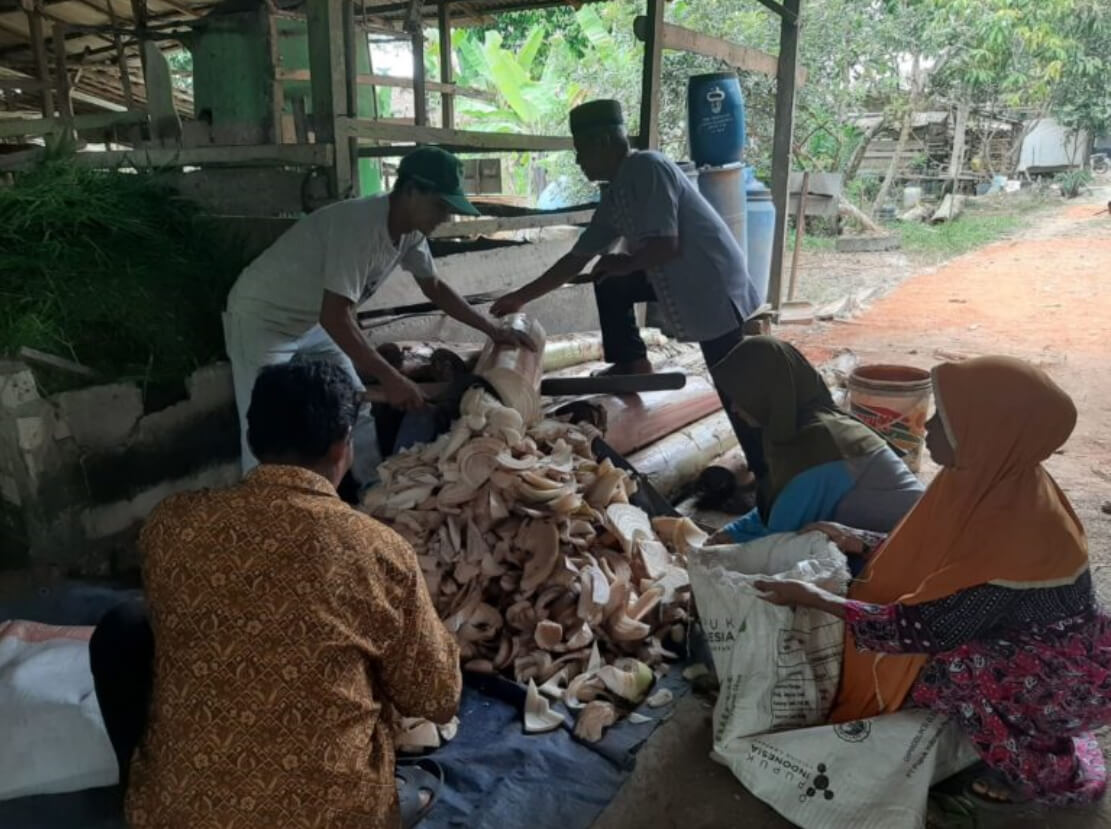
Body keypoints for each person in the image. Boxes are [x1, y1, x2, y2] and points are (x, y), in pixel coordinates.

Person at [100, 361, 461, 828]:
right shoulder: (377, 550)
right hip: (331, 817)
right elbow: (437, 698)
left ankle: (146, 784)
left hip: (177, 814)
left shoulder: (171, 525)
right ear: (342, 445)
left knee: (125, 626)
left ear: (253, 439)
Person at [757, 356, 1111, 807]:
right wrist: (857, 539)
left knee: (952, 667)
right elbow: (932, 553)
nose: (927, 427)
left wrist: (817, 598)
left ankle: (1040, 766)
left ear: (988, 432)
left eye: (946, 419)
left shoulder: (1020, 534)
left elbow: (918, 629)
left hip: (1061, 683)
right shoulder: (993, 483)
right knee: (940, 656)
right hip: (1041, 651)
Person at [489, 99, 767, 479]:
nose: (578, 162)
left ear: (605, 141)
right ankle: (631, 359)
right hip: (681, 280)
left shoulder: (647, 168)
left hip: (711, 285)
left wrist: (621, 262)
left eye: (581, 151)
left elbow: (665, 245)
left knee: (736, 389)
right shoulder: (618, 190)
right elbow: (578, 257)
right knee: (609, 279)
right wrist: (521, 297)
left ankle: (768, 475)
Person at [224, 146, 533, 482]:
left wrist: (491, 330)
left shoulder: (411, 231)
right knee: (266, 425)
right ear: (412, 191)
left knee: (354, 406)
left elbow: (435, 288)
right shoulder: (360, 227)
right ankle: (256, 515)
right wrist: (390, 377)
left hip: (312, 320)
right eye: (440, 207)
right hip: (263, 319)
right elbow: (336, 316)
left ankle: (373, 494)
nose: (445, 217)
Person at [707, 336, 923, 545]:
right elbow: (780, 503)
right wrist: (732, 532)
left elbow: (780, 542)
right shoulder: (798, 428)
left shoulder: (818, 444)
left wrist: (731, 543)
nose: (734, 408)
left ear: (766, 391)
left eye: (742, 396)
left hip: (908, 551)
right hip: (884, 543)